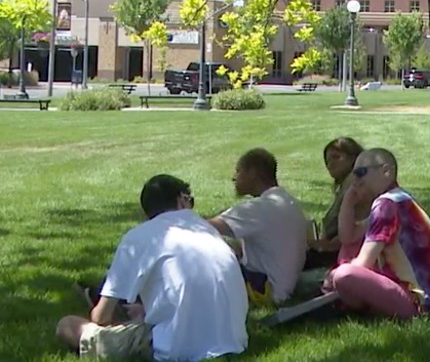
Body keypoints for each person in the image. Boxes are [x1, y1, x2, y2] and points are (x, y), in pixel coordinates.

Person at [55, 174, 248, 360]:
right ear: (182, 199)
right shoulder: (208, 231)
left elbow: (101, 317)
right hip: (234, 341)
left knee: (67, 325)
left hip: (174, 348)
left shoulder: (138, 237)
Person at [325, 148, 430, 318]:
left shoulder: (387, 204)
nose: (355, 181)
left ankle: (359, 306)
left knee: (344, 275)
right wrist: (349, 200)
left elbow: (363, 264)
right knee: (348, 252)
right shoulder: (398, 198)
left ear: (386, 171)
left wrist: (333, 276)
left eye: (360, 173)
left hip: (422, 301)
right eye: (353, 175)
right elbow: (348, 238)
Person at [207, 148, 309, 305]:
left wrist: (180, 215)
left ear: (253, 173)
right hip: (285, 285)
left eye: (238, 171)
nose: (234, 177)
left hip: (267, 290)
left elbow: (205, 227)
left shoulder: (260, 207)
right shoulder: (286, 200)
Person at [304, 136, 371, 270]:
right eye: (327, 161)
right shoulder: (345, 186)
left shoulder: (355, 184)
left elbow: (356, 226)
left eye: (336, 157)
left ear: (353, 158)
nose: (331, 164)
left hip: (345, 255)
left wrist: (328, 245)